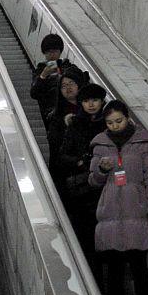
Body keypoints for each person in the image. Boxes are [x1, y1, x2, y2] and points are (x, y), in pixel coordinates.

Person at [89, 101, 148, 295]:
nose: (114, 126)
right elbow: (93, 181)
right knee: (115, 274)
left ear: (128, 118)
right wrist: (101, 169)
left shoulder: (143, 144)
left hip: (137, 213)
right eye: (110, 123)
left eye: (118, 121)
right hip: (110, 214)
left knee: (139, 272)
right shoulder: (100, 144)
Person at [58, 83, 108, 268]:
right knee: (86, 232)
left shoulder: (109, 125)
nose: (91, 105)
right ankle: (90, 271)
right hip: (82, 188)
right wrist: (79, 161)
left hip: (105, 187)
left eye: (95, 100)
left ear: (102, 102)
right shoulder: (75, 125)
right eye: (86, 101)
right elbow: (63, 154)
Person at [46, 66, 88, 183]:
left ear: (79, 84)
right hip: (66, 170)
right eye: (63, 86)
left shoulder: (90, 110)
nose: (68, 88)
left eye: (71, 83)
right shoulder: (56, 116)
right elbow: (55, 146)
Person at [30, 34, 75, 126]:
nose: (52, 55)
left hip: (69, 112)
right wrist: (43, 76)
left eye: (55, 51)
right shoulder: (40, 70)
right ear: (44, 53)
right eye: (48, 52)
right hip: (50, 116)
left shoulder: (68, 67)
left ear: (60, 52)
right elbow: (34, 93)